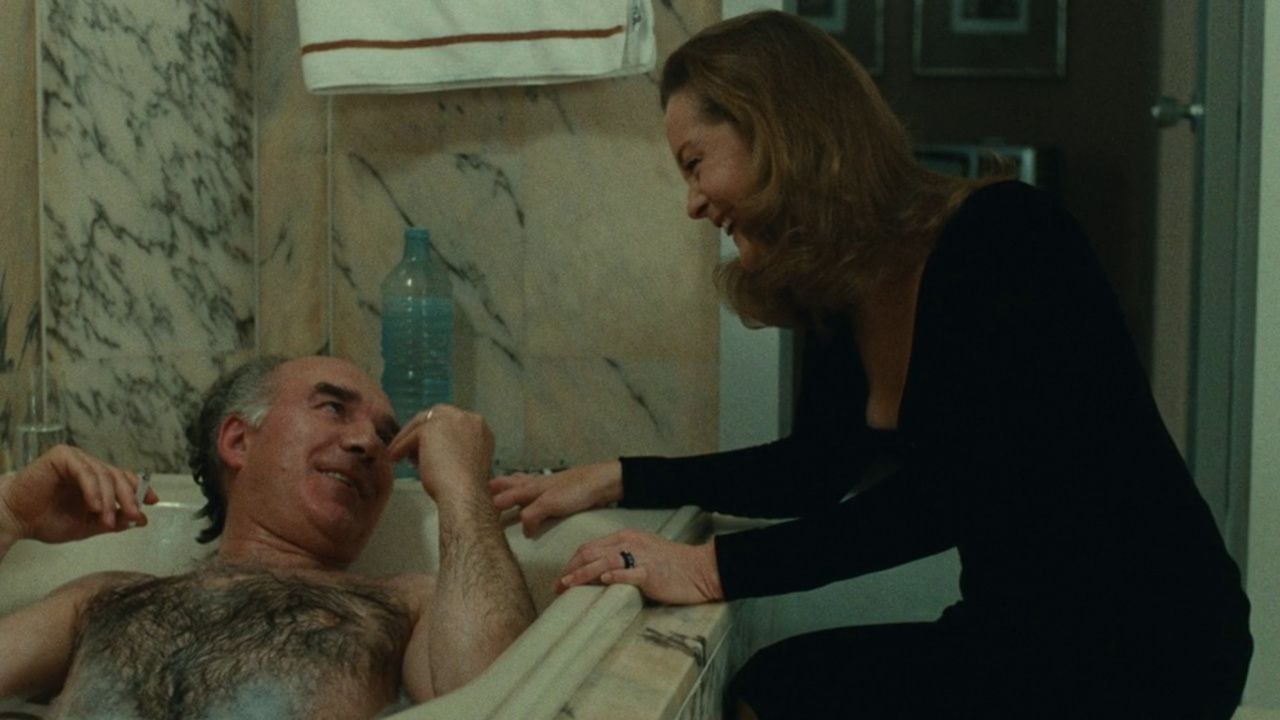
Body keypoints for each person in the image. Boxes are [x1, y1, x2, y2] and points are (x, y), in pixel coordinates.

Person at [489, 10, 1252, 719]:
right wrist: (621, 476)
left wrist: (710, 567)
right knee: (775, 690)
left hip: (1152, 639)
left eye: (695, 164)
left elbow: (958, 492)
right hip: (1013, 632)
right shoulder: (847, 292)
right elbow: (811, 472)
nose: (691, 203)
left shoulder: (1011, 238)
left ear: (775, 130)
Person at [0, 355, 535, 718]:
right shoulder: (103, 598)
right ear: (238, 441)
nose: (368, 443)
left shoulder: (406, 604)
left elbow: (505, 702)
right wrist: (8, 516)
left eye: (386, 437)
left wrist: (463, 484)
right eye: (333, 408)